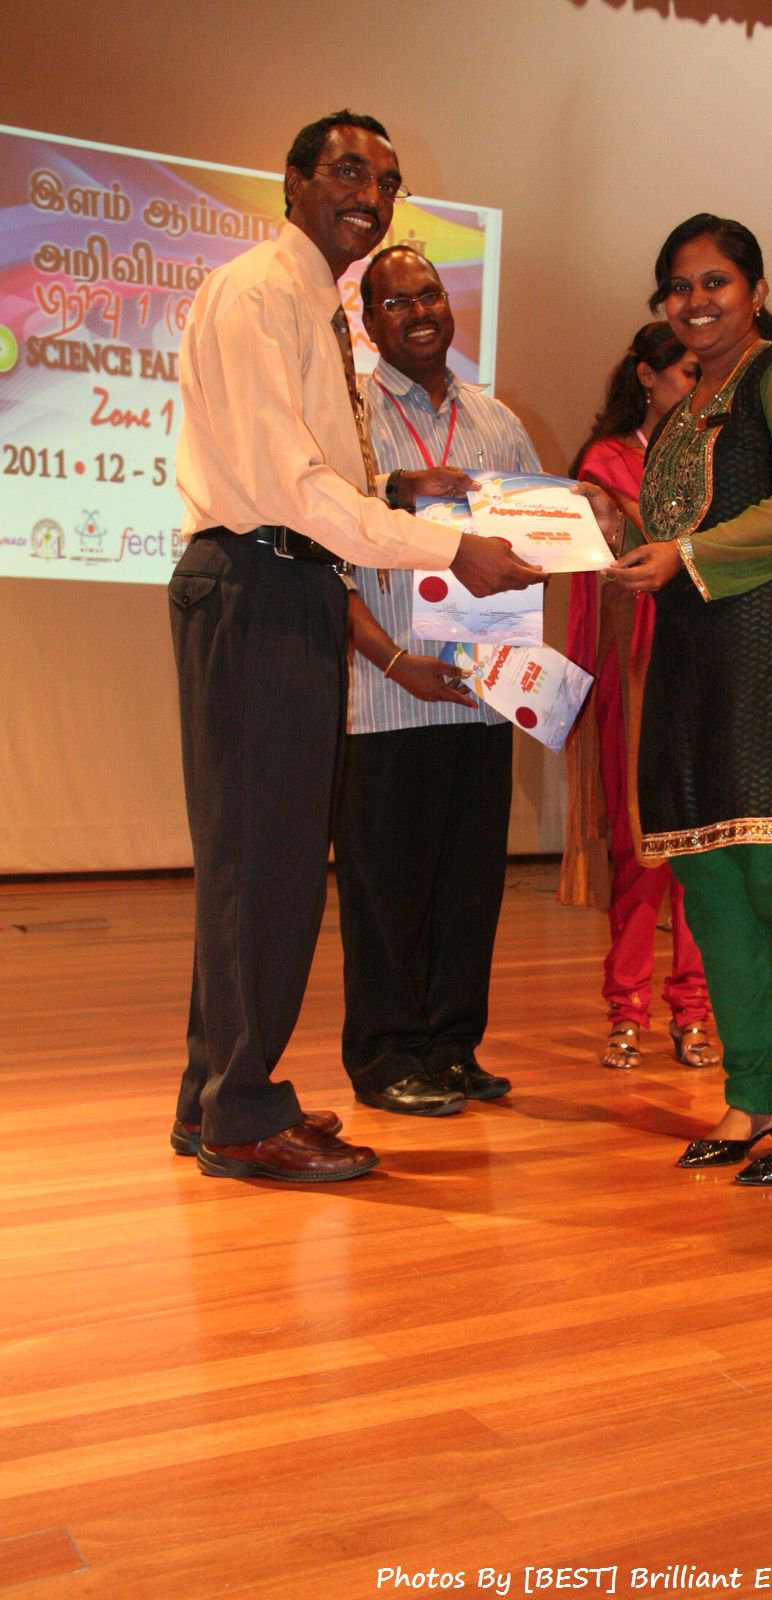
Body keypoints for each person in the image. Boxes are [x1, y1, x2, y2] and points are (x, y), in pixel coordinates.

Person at [169, 111, 540, 1183]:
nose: (368, 196)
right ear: (291, 181)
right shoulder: (261, 293)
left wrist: (396, 487)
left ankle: (214, 1098)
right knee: (266, 866)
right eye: (345, 171)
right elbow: (287, 487)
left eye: (386, 180)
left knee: (256, 861)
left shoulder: (312, 305)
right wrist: (448, 544)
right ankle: (242, 1114)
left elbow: (309, 473)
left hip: (281, 582)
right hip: (259, 578)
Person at [596, 213, 772, 1185]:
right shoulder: (685, 413)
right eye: (677, 286)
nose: (694, 301)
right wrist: (612, 526)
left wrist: (680, 553)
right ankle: (755, 1092)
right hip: (700, 660)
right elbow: (683, 530)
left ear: (756, 291)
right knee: (712, 886)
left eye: (714, 281)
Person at [333, 245, 540, 1116]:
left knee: (468, 887)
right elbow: (324, 566)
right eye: (395, 302)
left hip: (481, 695)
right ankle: (387, 1057)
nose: (418, 312)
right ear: (367, 323)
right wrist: (393, 660)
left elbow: (531, 548)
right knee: (388, 890)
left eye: (430, 295)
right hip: (388, 696)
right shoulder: (344, 418)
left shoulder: (498, 422)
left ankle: (452, 1047)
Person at [561, 323, 716, 1072]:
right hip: (635, 670)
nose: (695, 383)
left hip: (704, 667)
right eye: (685, 371)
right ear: (648, 377)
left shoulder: (713, 455)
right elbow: (618, 557)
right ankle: (626, 1010)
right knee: (639, 849)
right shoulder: (606, 460)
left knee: (699, 852)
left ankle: (694, 1010)